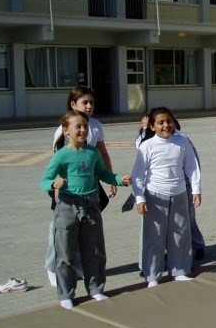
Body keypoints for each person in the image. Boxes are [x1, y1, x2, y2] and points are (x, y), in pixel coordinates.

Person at [40, 110, 131, 309]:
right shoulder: (61, 155)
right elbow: (44, 181)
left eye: (85, 126)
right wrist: (54, 183)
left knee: (95, 250)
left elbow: (103, 173)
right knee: (65, 253)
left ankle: (96, 289)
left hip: (91, 206)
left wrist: (119, 180)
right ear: (66, 130)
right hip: (67, 207)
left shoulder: (93, 152)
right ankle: (66, 294)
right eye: (77, 126)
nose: (82, 130)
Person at [45, 85, 116, 286]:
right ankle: (53, 265)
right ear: (73, 104)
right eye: (84, 102)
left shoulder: (95, 125)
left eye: (92, 102)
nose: (89, 106)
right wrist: (57, 189)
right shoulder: (64, 128)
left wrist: (110, 178)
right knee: (61, 226)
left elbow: (102, 153)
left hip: (89, 183)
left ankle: (79, 265)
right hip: (67, 185)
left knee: (86, 224)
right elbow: (57, 161)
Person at [131, 107, 201, 287]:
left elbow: (192, 167)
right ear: (152, 126)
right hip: (155, 195)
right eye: (160, 122)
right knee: (154, 236)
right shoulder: (147, 146)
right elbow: (138, 175)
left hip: (179, 193)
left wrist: (196, 190)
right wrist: (140, 199)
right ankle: (152, 275)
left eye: (168, 121)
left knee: (181, 235)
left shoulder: (182, 141)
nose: (166, 125)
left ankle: (179, 269)